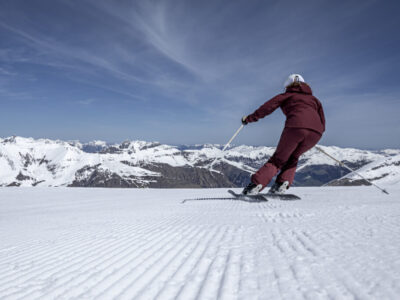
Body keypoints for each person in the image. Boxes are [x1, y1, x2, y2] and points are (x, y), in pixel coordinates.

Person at [241, 74, 325, 195]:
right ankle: (280, 186)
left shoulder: (287, 95)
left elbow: (267, 108)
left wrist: (248, 119)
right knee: (293, 157)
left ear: (288, 86)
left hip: (295, 127)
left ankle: (255, 186)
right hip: (316, 133)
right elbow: (323, 121)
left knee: (278, 160)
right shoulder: (315, 100)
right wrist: (312, 132)